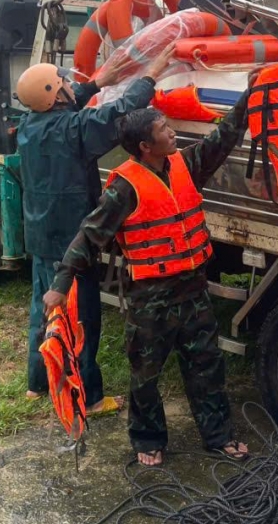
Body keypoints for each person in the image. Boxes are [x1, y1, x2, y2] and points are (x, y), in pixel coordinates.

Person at [43, 79, 254, 466]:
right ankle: (147, 441)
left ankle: (219, 436)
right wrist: (61, 284)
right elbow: (89, 236)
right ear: (145, 146)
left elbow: (222, 139)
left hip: (192, 291)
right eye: (164, 130)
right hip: (150, 299)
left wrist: (248, 97)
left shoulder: (184, 164)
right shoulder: (123, 187)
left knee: (207, 367)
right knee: (145, 375)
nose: (173, 133)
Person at [15, 46, 175, 414]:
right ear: (56, 95)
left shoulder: (29, 126)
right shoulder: (74, 130)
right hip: (72, 239)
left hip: (41, 233)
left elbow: (68, 107)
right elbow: (117, 114)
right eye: (64, 84)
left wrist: (99, 82)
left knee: (45, 308)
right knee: (82, 318)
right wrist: (150, 75)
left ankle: (38, 382)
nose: (71, 85)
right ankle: (89, 396)